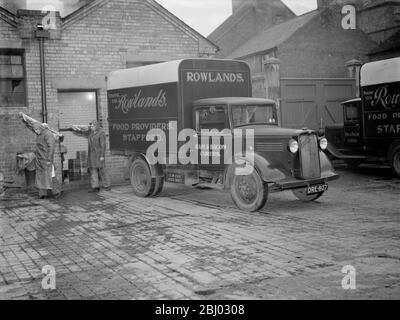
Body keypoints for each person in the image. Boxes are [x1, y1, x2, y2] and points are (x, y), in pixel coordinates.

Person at [71, 120, 111, 193]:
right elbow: (82, 133)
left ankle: (107, 185)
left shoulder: (101, 133)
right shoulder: (91, 132)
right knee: (93, 171)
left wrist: (102, 155)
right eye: (91, 126)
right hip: (92, 155)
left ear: (97, 126)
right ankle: (95, 187)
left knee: (102, 170)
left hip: (98, 155)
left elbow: (103, 145)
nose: (91, 127)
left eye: (92, 126)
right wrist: (74, 129)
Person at [33, 123, 62, 199]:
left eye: (37, 129)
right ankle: (42, 194)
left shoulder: (48, 134)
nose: (36, 131)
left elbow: (51, 147)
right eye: (35, 130)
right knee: (40, 176)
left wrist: (49, 159)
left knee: (50, 175)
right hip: (39, 159)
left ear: (40, 128)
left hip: (46, 159)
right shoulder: (39, 135)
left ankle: (56, 191)